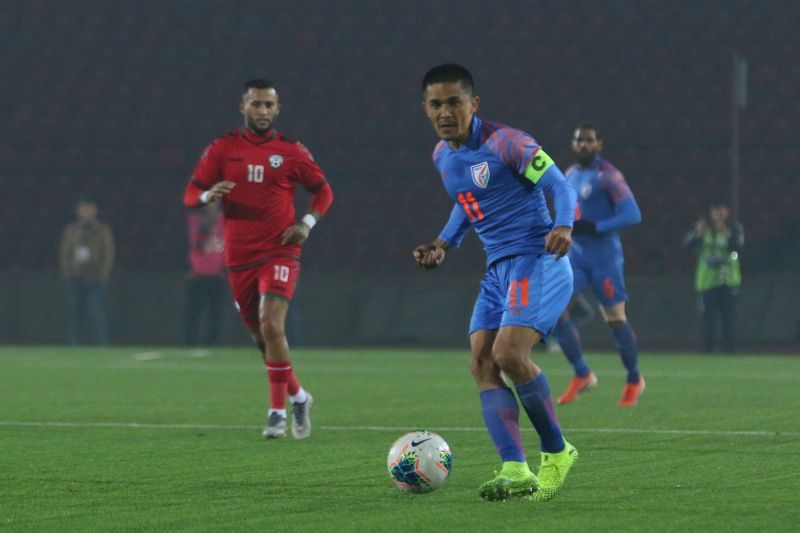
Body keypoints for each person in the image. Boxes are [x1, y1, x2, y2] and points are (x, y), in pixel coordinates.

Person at [413, 64, 578, 503]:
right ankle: (515, 469)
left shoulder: (509, 142)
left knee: (508, 354)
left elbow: (561, 186)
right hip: (497, 269)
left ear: (474, 104)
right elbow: (469, 202)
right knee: (483, 363)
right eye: (436, 104)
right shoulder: (442, 156)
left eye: (454, 102)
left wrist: (563, 225)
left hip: (538, 258)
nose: (445, 111)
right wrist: (443, 243)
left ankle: (558, 453)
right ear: (425, 108)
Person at [183, 79, 333, 440]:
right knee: (261, 338)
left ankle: (276, 413)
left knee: (272, 324)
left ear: (278, 109)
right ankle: (299, 396)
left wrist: (306, 224)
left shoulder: (291, 151)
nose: (263, 111)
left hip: (280, 249)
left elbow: (323, 191)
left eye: (269, 105)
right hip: (238, 257)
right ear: (243, 107)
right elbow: (191, 193)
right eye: (256, 104)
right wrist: (207, 196)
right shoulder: (223, 148)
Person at [554, 125, 644, 406]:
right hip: (576, 257)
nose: (583, 145)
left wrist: (596, 227)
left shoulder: (609, 175)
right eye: (579, 139)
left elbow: (632, 214)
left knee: (615, 319)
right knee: (555, 309)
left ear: (599, 145)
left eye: (589, 140)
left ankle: (633, 378)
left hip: (605, 259)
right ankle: (582, 373)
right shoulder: (570, 173)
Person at [682, 201, 744, 352]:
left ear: (728, 212)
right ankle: (707, 352)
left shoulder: (735, 229)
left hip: (729, 281)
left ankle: (730, 351)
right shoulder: (703, 229)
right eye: (715, 211)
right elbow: (686, 248)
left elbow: (738, 252)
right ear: (710, 213)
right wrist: (698, 234)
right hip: (706, 281)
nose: (718, 215)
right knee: (706, 320)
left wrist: (726, 258)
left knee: (729, 319)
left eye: (721, 211)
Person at [59, 198, 114, 345]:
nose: (87, 213)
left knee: (97, 314)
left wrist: (103, 274)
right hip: (75, 277)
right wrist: (67, 271)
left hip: (95, 278)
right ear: (78, 212)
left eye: (90, 210)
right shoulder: (71, 231)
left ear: (95, 211)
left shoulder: (103, 230)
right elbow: (65, 252)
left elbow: (108, 253)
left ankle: (101, 344)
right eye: (84, 210)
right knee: (75, 315)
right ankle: (74, 344)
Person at [184, 201, 227, 346]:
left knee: (216, 312)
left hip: (217, 274)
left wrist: (225, 269)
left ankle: (213, 342)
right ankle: (190, 341)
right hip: (197, 274)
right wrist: (188, 267)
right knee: (194, 311)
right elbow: (189, 243)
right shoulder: (194, 219)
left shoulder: (226, 220)